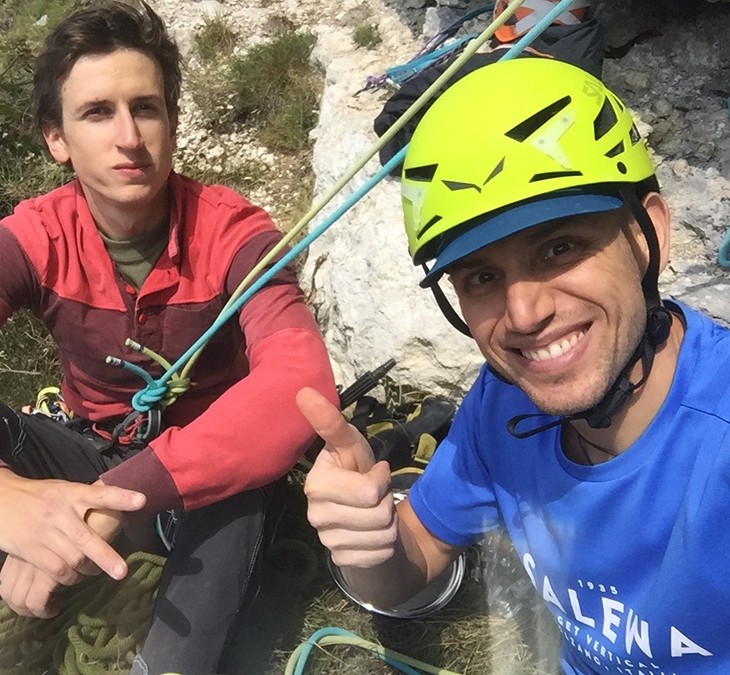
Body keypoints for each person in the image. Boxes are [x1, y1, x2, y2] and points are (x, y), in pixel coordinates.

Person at [0, 2, 337, 674]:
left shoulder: (235, 234)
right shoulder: (34, 238)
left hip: (198, 483)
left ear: (172, 121)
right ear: (57, 138)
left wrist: (115, 501)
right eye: (97, 113)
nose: (129, 137)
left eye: (147, 108)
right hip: (87, 453)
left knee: (243, 485)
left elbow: (297, 385)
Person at [298, 56, 730, 674]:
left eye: (560, 247)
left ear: (649, 238)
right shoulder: (502, 407)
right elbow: (415, 559)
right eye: (481, 276)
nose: (524, 313)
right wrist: (373, 545)